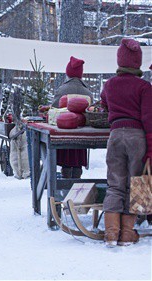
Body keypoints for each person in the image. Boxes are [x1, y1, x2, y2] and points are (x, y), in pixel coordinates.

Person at [100, 38, 152, 247]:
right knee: (136, 184)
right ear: (138, 63)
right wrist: (150, 150)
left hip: (115, 136)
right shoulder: (144, 87)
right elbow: (149, 119)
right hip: (136, 137)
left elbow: (103, 104)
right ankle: (128, 233)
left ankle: (111, 233)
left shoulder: (109, 85)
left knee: (115, 184)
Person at [52, 56, 93, 178]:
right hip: (82, 135)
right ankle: (77, 185)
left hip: (65, 134)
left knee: (66, 163)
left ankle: (66, 186)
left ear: (68, 73)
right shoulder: (88, 92)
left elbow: (55, 110)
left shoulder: (62, 90)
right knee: (77, 163)